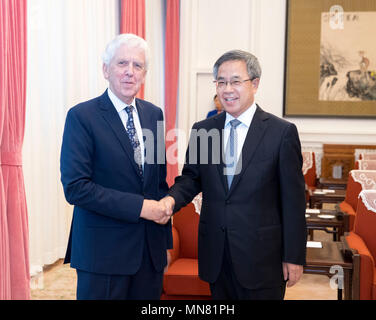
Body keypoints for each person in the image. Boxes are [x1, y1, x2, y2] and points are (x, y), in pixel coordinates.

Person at [164, 50, 307, 300]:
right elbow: (191, 179)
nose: (227, 89)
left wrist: (293, 256)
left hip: (263, 260)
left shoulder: (281, 133)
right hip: (216, 258)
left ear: (255, 84)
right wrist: (170, 201)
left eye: (235, 81)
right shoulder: (203, 130)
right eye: (221, 81)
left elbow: (293, 203)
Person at [60, 33, 172, 300]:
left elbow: (158, 182)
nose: (130, 72)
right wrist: (141, 207)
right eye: (122, 63)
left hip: (149, 255)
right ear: (105, 70)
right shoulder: (82, 116)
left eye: (138, 66)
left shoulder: (153, 114)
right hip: (103, 256)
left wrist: (164, 243)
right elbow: (76, 188)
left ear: (145, 74)